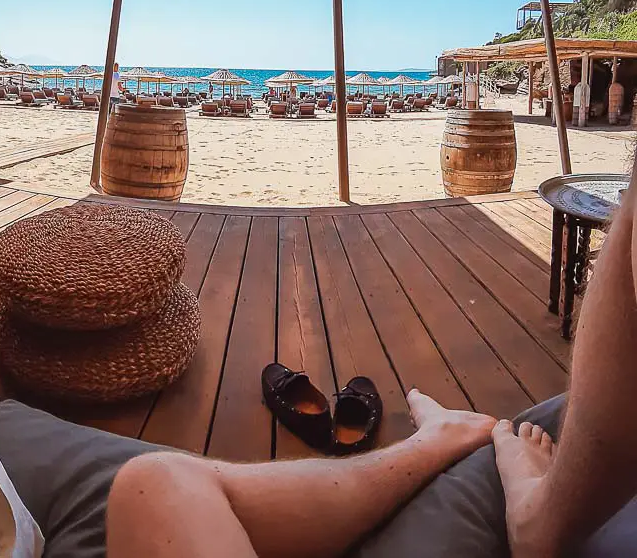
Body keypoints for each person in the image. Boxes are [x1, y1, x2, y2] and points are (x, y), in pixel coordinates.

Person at [106, 170, 637, 558]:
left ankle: (447, 453)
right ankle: (436, 439)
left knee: (149, 484)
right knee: (152, 485)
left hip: (558, 524)